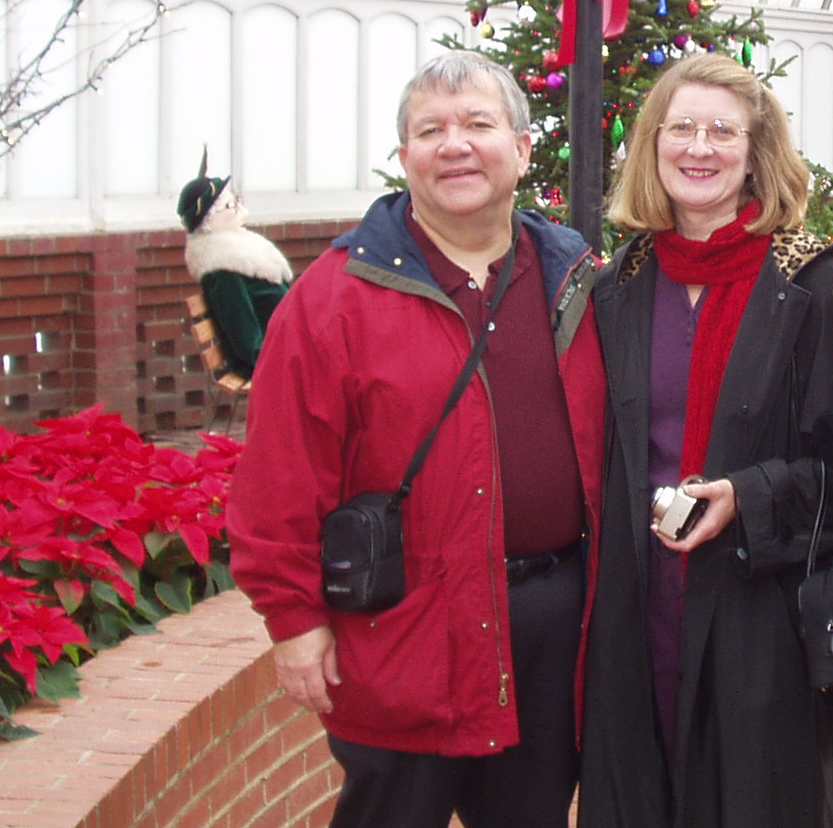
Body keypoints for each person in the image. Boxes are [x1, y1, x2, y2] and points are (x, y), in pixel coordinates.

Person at [227, 51, 606, 828]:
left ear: (522, 149)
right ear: (405, 157)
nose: (455, 145)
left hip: (548, 634)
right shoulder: (334, 298)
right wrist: (293, 621)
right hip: (405, 634)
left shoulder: (575, 278)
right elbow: (278, 474)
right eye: (430, 131)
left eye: (477, 124)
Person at [577, 53, 833, 828]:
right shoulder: (618, 288)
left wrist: (748, 496)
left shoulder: (815, 288)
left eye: (722, 131)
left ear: (755, 153)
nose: (699, 148)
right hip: (639, 613)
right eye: (681, 128)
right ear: (653, 144)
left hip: (762, 620)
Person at [178, 150, 292, 380]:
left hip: (288, 350)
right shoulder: (223, 269)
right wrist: (291, 362)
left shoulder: (241, 252)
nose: (240, 209)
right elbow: (248, 343)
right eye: (231, 205)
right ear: (209, 220)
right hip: (273, 363)